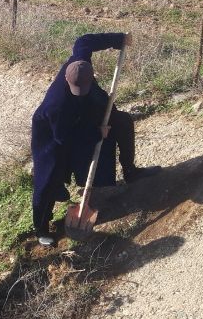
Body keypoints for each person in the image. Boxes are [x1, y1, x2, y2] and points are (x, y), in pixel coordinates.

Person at [30, 32, 157, 246]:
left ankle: (130, 171)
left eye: (83, 89)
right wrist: (97, 133)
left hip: (83, 116)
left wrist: (119, 39)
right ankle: (41, 227)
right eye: (76, 90)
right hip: (51, 135)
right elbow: (64, 138)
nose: (80, 92)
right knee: (48, 176)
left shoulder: (81, 62)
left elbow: (84, 41)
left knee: (122, 121)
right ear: (66, 80)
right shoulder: (57, 104)